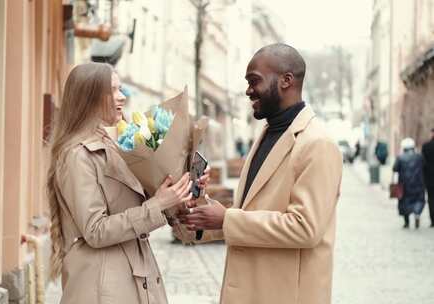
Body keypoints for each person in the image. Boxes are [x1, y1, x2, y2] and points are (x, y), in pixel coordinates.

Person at [180, 43, 342, 304]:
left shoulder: (318, 143)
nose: (248, 90)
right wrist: (203, 210)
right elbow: (253, 210)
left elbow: (305, 228)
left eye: (254, 81)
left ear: (286, 81)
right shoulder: (268, 133)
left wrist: (226, 219)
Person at [46, 62, 204, 304]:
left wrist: (182, 189)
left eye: (121, 89)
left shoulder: (117, 146)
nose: (122, 97)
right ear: (90, 97)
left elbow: (136, 206)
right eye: (113, 90)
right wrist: (158, 204)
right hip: (103, 286)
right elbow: (95, 231)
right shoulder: (77, 155)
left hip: (133, 276)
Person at [394, 138, 426, 229]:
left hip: (404, 184)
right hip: (418, 184)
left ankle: (406, 222)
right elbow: (424, 166)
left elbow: (395, 168)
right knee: (418, 200)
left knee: (404, 202)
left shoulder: (400, 157)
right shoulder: (419, 157)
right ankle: (417, 214)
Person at [422, 128, 434, 227]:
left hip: (430, 179)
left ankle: (433, 220)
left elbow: (423, 163)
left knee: (431, 199)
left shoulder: (426, 146)